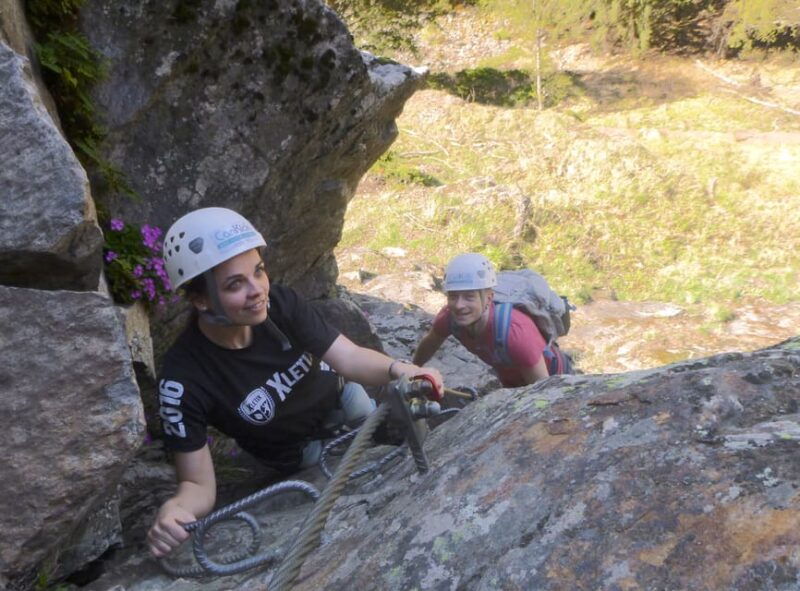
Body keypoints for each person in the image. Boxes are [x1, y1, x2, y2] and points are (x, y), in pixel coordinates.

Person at [147, 207, 443, 558]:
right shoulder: (183, 380)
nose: (257, 290)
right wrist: (177, 510)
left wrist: (400, 369)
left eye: (258, 271)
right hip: (301, 453)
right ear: (200, 300)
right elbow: (197, 484)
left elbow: (348, 358)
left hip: (346, 401)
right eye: (234, 284)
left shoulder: (280, 305)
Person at [412, 253, 571, 388]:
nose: (459, 305)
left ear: (489, 298)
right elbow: (430, 342)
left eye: (469, 297)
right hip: (512, 382)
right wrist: (412, 371)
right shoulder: (449, 317)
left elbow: (542, 390)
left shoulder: (515, 334)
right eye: (453, 296)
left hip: (554, 379)